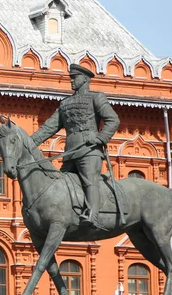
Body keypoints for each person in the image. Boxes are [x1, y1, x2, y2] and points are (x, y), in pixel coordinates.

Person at [31, 64, 119, 228]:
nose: (71, 81)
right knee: (60, 183)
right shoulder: (65, 103)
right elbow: (48, 128)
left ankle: (93, 215)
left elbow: (113, 120)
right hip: (70, 152)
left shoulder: (96, 97)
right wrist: (29, 143)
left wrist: (101, 138)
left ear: (85, 79)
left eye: (75, 78)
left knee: (89, 179)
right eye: (71, 78)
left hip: (89, 150)